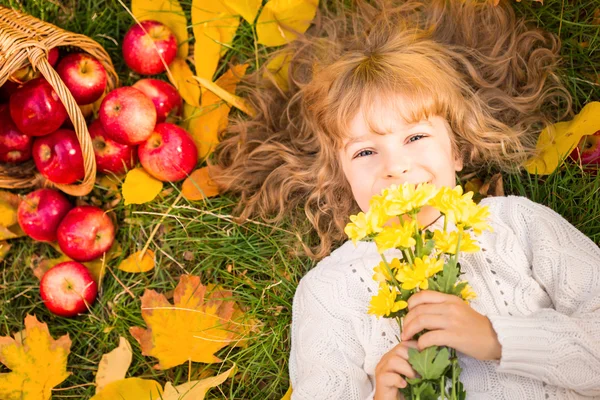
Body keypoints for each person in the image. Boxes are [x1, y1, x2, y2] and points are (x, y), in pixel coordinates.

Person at [210, 0, 600, 398]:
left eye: (415, 138)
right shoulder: (329, 292)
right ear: (342, 178)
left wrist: (498, 339)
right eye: (365, 152)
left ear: (457, 151)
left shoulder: (518, 225)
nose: (395, 167)